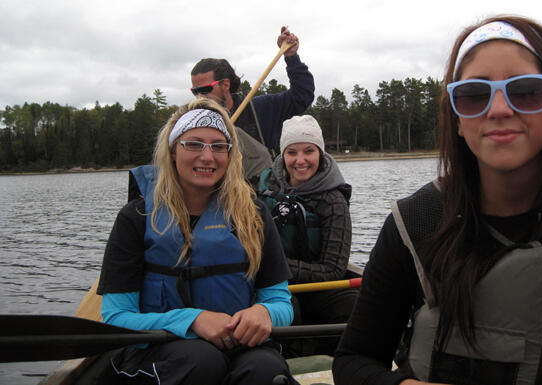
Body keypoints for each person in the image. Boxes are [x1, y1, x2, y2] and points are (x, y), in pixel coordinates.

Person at [333, 16, 542, 385]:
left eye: (526, 90)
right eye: (473, 95)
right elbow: (354, 360)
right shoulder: (415, 223)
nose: (498, 109)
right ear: (456, 118)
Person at [94, 98, 298, 385]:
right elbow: (116, 318)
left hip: (239, 347)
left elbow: (281, 303)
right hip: (158, 348)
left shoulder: (253, 214)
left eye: (218, 146)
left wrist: (264, 312)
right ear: (173, 151)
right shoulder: (136, 217)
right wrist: (193, 320)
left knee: (266, 371)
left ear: (230, 155)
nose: (207, 157)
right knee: (203, 361)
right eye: (194, 144)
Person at [257, 115, 357, 356]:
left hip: (317, 289)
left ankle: (331, 362)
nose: (300, 160)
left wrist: (278, 266)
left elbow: (333, 270)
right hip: (271, 286)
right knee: (286, 308)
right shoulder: (263, 191)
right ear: (283, 155)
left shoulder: (334, 201)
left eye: (309, 151)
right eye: (292, 152)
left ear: (320, 154)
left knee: (352, 303)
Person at [190, 27, 315, 184]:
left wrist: (291, 57)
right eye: (195, 92)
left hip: (261, 199)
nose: (200, 97)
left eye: (205, 89)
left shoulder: (261, 109)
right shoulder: (193, 124)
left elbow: (302, 95)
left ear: (226, 85)